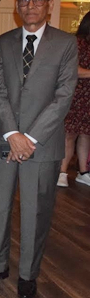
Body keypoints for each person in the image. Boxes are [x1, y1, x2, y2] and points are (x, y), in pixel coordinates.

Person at [0, 0, 78, 298]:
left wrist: (29, 138)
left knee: (36, 210)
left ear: (48, 4)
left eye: (37, 0)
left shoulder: (65, 44)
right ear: (17, 5)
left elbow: (63, 97)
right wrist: (12, 134)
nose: (30, 5)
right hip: (5, 139)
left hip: (43, 144)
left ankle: (28, 274)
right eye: (24, 0)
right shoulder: (4, 42)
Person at [58, 11, 90, 187]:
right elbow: (72, 69)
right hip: (75, 95)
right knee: (69, 135)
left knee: (86, 135)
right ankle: (62, 171)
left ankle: (83, 172)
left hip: (88, 99)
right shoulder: (76, 43)